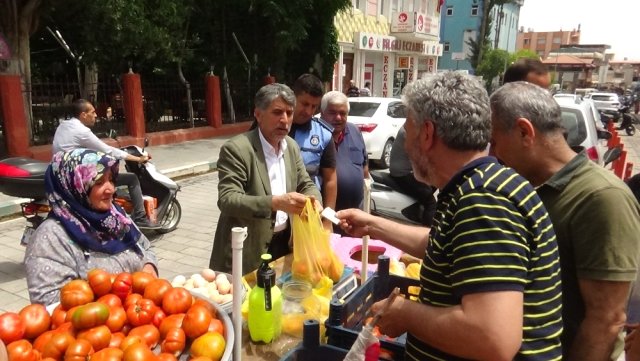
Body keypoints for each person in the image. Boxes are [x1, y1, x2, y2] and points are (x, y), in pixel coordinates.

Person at [337, 72, 563, 360]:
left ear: (427, 133)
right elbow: (446, 245)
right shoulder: (479, 184)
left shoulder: (483, 200)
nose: (405, 145)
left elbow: (492, 338)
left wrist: (407, 314)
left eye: (408, 129)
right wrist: (372, 225)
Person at [490, 81, 640, 360]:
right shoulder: (534, 190)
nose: (494, 153)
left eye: (495, 141)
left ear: (525, 132)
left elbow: (606, 318)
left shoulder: (601, 197)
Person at [210, 83, 321, 274]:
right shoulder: (237, 149)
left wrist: (314, 201)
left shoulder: (291, 147)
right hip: (246, 250)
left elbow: (305, 183)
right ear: (258, 114)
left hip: (284, 244)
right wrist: (276, 203)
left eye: (289, 113)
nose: (285, 120)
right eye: (277, 112)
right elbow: (228, 200)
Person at [24, 149, 158, 306]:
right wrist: (112, 302)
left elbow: (146, 247)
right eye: (99, 182)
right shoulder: (51, 237)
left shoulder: (115, 216)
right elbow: (49, 303)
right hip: (101, 326)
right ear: (74, 186)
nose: (111, 189)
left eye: (112, 180)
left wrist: (149, 266)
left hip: (142, 314)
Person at [52, 99, 155, 228]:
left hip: (59, 175)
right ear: (83, 115)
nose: (95, 115)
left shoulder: (63, 125)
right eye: (93, 112)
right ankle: (140, 217)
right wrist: (137, 159)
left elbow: (89, 150)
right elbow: (107, 150)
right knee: (132, 179)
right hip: (77, 179)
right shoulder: (82, 131)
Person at [289, 73, 337, 229]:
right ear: (293, 97)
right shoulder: (273, 126)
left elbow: (330, 180)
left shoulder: (323, 135)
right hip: (276, 213)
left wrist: (328, 220)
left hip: (307, 216)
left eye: (314, 106)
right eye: (304, 104)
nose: (309, 111)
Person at [321, 91, 369, 212]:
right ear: (322, 113)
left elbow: (365, 169)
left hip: (355, 216)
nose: (338, 118)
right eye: (332, 112)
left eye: (343, 113)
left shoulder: (354, 131)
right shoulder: (315, 136)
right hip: (326, 217)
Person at [389, 126, 437, 226]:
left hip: (402, 171)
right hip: (402, 174)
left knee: (431, 184)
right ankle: (428, 233)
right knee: (430, 202)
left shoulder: (408, 129)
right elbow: (422, 152)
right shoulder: (408, 132)